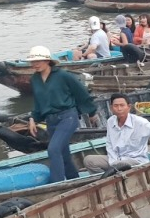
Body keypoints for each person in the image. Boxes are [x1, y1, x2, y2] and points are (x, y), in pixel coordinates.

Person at [25, 46, 98, 183]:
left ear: (47, 61)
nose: (35, 64)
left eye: (38, 61)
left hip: (68, 117)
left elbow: (81, 93)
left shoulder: (63, 76)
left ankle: (56, 185)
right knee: (63, 155)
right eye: (32, 61)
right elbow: (38, 102)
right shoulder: (34, 79)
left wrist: (92, 112)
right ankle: (75, 182)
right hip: (51, 121)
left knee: (53, 149)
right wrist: (32, 118)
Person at [83, 94, 150, 173]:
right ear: (111, 108)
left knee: (120, 165)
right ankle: (105, 181)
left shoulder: (139, 122)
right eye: (116, 106)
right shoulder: (110, 121)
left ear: (128, 107)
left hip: (135, 160)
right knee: (89, 160)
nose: (119, 108)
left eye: (122, 105)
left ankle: (112, 177)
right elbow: (109, 143)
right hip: (114, 159)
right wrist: (113, 160)